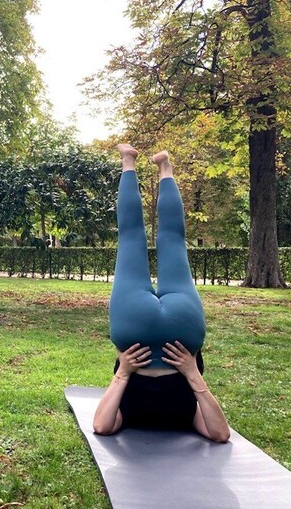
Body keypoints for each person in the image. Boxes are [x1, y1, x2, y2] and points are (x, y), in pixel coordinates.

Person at [93, 145, 230, 443]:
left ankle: (164, 166)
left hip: (170, 333)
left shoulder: (183, 415)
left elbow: (103, 426)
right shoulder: (143, 413)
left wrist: (125, 371)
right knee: (131, 237)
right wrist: (191, 372)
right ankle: (130, 160)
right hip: (150, 333)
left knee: (172, 241)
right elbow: (220, 434)